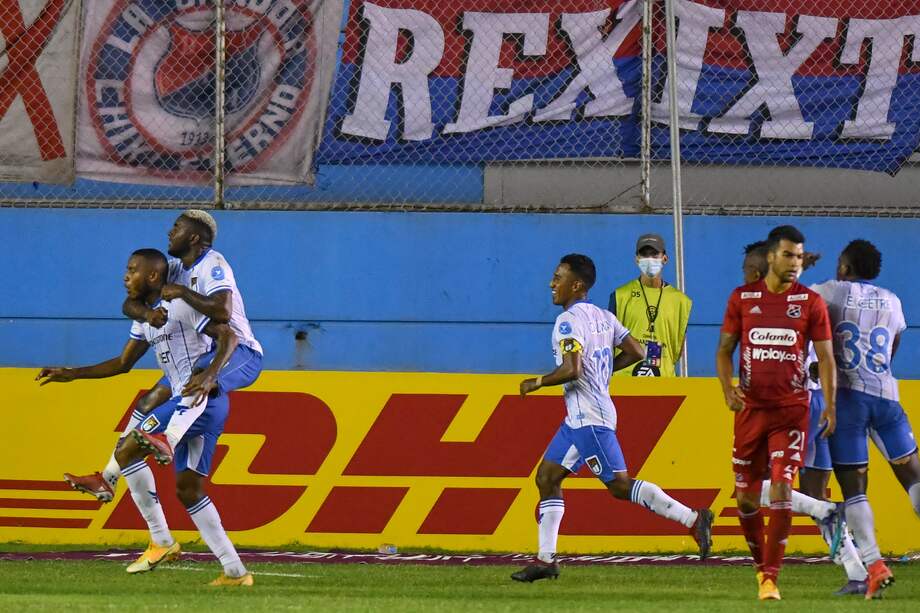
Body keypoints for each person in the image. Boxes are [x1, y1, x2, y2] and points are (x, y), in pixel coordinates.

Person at [37, 249, 253, 586]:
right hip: (197, 406)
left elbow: (229, 335)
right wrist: (73, 373)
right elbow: (122, 364)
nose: (125, 276)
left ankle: (161, 538)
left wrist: (211, 374)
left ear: (153, 277)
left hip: (199, 400)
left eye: (132, 270)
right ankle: (236, 572)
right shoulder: (146, 319)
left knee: (128, 447)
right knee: (188, 491)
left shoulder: (181, 307)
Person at [511, 254, 714, 583]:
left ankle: (693, 518)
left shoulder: (568, 321)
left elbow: (571, 369)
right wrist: (603, 372)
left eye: (557, 277)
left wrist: (536, 382)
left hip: (590, 417)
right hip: (577, 420)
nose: (552, 284)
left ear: (576, 285)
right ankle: (545, 560)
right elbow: (636, 351)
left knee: (620, 486)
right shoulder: (605, 317)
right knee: (547, 478)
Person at [64, 210, 263, 502]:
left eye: (177, 227)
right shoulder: (172, 267)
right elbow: (132, 300)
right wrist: (147, 314)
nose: (170, 232)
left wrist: (182, 292)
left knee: (201, 378)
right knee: (151, 399)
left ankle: (166, 439)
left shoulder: (213, 263)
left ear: (194, 237)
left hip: (237, 350)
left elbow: (223, 313)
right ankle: (107, 477)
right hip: (199, 356)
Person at [716, 226, 836, 600]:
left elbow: (828, 358)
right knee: (747, 499)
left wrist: (830, 403)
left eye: (799, 256)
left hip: (791, 410)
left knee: (783, 487)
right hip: (750, 410)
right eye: (788, 255)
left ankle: (771, 577)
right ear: (770, 257)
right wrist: (727, 388)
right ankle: (759, 566)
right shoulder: (742, 298)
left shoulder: (810, 303)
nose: (795, 263)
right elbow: (724, 351)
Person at [742, 240, 867, 596]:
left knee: (756, 488)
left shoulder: (777, 303)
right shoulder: (797, 298)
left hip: (793, 407)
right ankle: (857, 570)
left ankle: (827, 510)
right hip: (816, 402)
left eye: (750, 270)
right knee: (811, 488)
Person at [811, 239, 920, 599]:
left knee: (854, 489)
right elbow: (892, 347)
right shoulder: (893, 301)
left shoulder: (832, 290)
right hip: (888, 396)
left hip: (850, 400)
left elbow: (795, 299)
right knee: (914, 478)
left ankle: (873, 565)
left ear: (844, 267)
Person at [608, 233, 691, 377]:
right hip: (624, 382)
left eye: (654, 254)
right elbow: (608, 343)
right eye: (644, 255)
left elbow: (678, 350)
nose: (649, 259)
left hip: (664, 382)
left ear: (665, 258)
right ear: (637, 259)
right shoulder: (619, 296)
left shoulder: (681, 301)